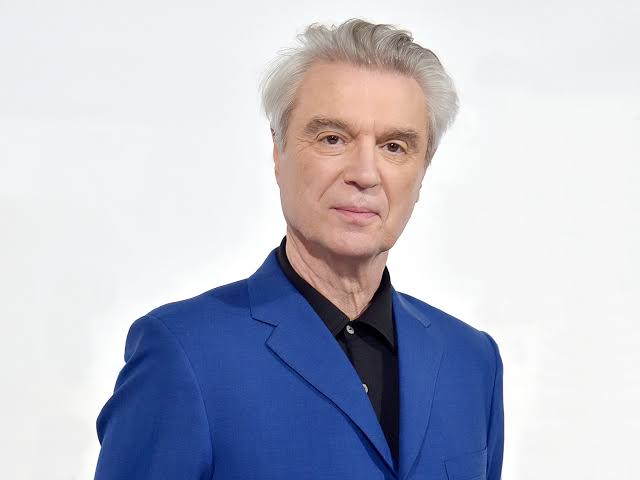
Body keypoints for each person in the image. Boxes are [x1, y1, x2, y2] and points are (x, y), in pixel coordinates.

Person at [94, 18, 504, 480]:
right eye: (333, 139)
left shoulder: (472, 361)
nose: (365, 174)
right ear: (278, 152)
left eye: (394, 146)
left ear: (422, 170)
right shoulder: (184, 353)